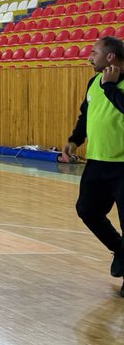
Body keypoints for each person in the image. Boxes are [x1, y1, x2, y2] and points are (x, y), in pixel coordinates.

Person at [63, 36, 124, 295]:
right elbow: (86, 114)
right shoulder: (93, 82)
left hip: (123, 167)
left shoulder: (111, 84)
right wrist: (75, 139)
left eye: (94, 52)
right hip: (97, 162)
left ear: (110, 57)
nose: (89, 56)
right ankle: (120, 250)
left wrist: (111, 88)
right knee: (87, 210)